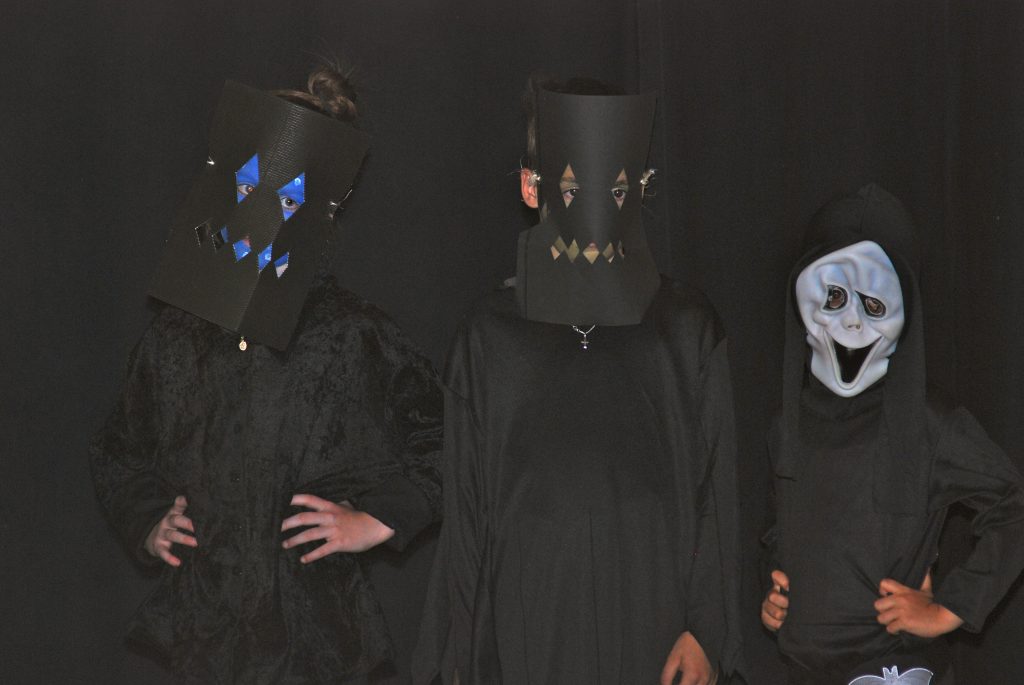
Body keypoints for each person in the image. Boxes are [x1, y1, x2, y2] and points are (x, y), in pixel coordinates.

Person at [91, 65, 443, 684]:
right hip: (206, 630)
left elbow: (448, 436)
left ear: (318, 210)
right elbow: (120, 447)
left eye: (286, 200)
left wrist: (377, 518)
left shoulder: (351, 333)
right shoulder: (175, 335)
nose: (265, 212)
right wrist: (148, 520)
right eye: (251, 187)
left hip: (315, 635)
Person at [413, 77, 741, 685]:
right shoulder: (489, 335)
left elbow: (714, 489)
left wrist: (706, 629)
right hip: (529, 613)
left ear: (639, 188)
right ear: (531, 186)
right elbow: (466, 511)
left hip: (653, 610)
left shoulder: (683, 327)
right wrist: (462, 660)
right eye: (569, 187)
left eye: (615, 189)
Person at [759, 184, 1024, 685]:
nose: (852, 320)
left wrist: (949, 608)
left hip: (890, 665)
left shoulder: (929, 422)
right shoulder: (787, 422)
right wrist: (774, 592)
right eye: (834, 296)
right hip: (804, 668)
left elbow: (1013, 504)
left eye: (873, 305)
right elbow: (781, 528)